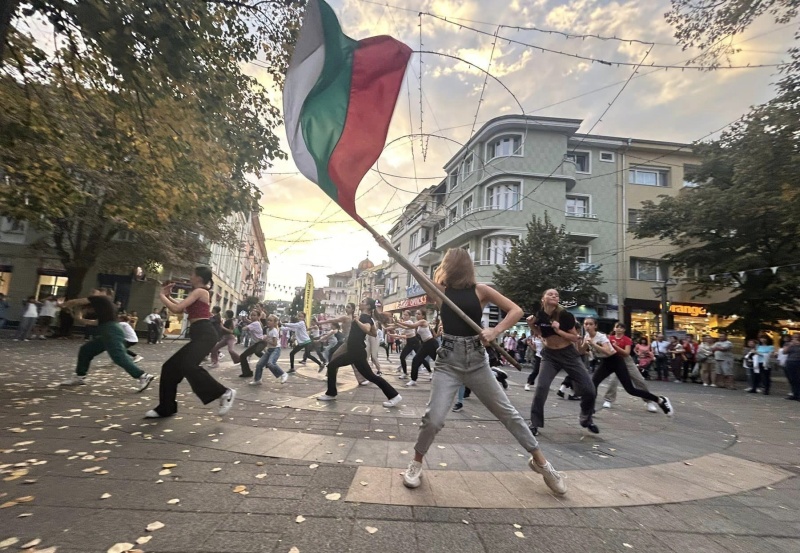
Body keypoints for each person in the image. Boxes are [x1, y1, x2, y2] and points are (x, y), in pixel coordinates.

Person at [401, 248, 566, 495]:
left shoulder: (481, 290)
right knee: (433, 418)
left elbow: (516, 311)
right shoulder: (440, 292)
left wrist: (495, 331)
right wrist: (385, 246)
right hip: (448, 361)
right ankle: (416, 463)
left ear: (453, 265)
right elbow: (415, 273)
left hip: (477, 361)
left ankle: (542, 464)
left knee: (508, 413)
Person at [145, 267, 235, 418]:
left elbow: (176, 308)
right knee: (169, 368)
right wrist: (168, 296)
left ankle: (224, 392)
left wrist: (162, 295)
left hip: (205, 333)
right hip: (200, 333)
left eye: (192, 274)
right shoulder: (198, 292)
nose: (190, 276)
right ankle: (166, 408)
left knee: (188, 366)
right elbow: (183, 310)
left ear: (199, 277)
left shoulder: (200, 291)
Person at [528, 289, 598, 436]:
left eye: (556, 295)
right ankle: (534, 423)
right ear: (543, 299)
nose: (554, 296)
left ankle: (586, 418)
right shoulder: (540, 314)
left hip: (568, 354)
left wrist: (558, 330)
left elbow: (575, 338)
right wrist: (531, 325)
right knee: (541, 387)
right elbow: (540, 334)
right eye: (550, 294)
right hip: (549, 355)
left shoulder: (565, 315)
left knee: (589, 389)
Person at [60, 288, 154, 392]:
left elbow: (75, 301)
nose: (92, 294)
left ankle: (142, 375)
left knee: (118, 356)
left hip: (111, 331)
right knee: (86, 350)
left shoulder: (102, 299)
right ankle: (79, 377)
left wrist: (63, 304)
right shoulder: (106, 306)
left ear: (104, 293)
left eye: (95, 291)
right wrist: (77, 314)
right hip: (108, 331)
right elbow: (91, 322)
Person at [316, 298, 402, 406]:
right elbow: (374, 333)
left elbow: (366, 329)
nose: (360, 303)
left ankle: (331, 393)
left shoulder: (363, 317)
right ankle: (394, 396)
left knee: (333, 365)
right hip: (356, 351)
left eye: (363, 302)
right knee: (371, 376)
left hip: (356, 352)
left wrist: (357, 321)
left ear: (368, 307)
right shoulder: (367, 318)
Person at [589, 320, 672, 416]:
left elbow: (626, 353)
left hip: (625, 361)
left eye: (621, 327)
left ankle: (651, 401)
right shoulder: (608, 338)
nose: (619, 329)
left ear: (624, 330)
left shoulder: (626, 339)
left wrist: (614, 346)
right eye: (617, 327)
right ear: (614, 328)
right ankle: (606, 401)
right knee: (610, 381)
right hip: (610, 361)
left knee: (638, 381)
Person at [394, 309, 438, 387]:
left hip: (431, 343)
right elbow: (408, 328)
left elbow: (412, 326)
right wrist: (397, 323)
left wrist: (399, 321)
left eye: (419, 314)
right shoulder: (418, 324)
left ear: (423, 316)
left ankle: (436, 375)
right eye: (416, 314)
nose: (417, 315)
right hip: (424, 344)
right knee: (415, 360)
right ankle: (413, 380)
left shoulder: (423, 321)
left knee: (439, 361)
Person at [251, 315, 288, 385]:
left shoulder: (274, 331)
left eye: (271, 320)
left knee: (270, 363)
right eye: (268, 320)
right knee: (259, 364)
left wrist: (267, 340)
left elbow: (274, 343)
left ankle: (283, 374)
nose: (268, 322)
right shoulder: (268, 330)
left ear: (275, 323)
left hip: (276, 350)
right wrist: (265, 338)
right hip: (270, 350)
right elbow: (268, 338)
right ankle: (257, 380)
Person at [238, 311, 267, 378]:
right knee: (243, 356)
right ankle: (247, 373)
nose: (252, 317)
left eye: (254, 315)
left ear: (258, 317)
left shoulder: (256, 323)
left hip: (261, 342)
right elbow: (250, 323)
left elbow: (244, 328)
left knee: (257, 352)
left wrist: (242, 325)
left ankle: (267, 361)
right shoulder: (256, 323)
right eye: (251, 315)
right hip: (257, 343)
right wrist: (245, 320)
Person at [781, 333, 800, 401]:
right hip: (790, 362)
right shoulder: (788, 344)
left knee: (798, 379)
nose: (796, 338)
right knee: (792, 379)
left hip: (798, 362)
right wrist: (790, 345)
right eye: (794, 337)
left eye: (797, 337)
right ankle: (794, 394)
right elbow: (784, 352)